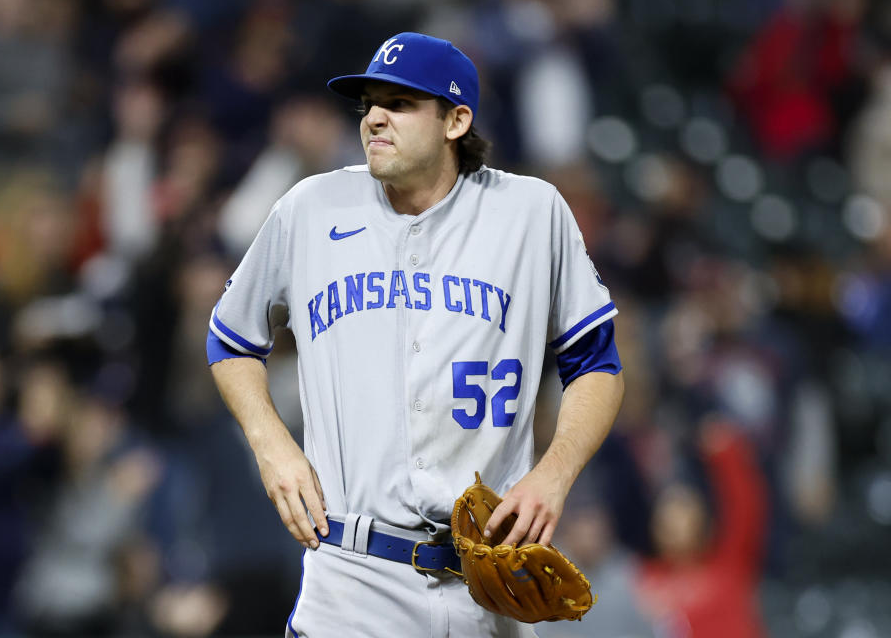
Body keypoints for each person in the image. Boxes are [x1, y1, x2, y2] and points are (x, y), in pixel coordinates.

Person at [207, 32, 625, 637]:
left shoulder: (532, 214)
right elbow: (230, 340)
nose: (374, 117)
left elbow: (597, 365)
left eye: (400, 104)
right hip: (352, 576)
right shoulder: (312, 209)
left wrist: (554, 474)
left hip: (486, 585)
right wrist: (271, 443)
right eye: (368, 103)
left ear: (456, 121)